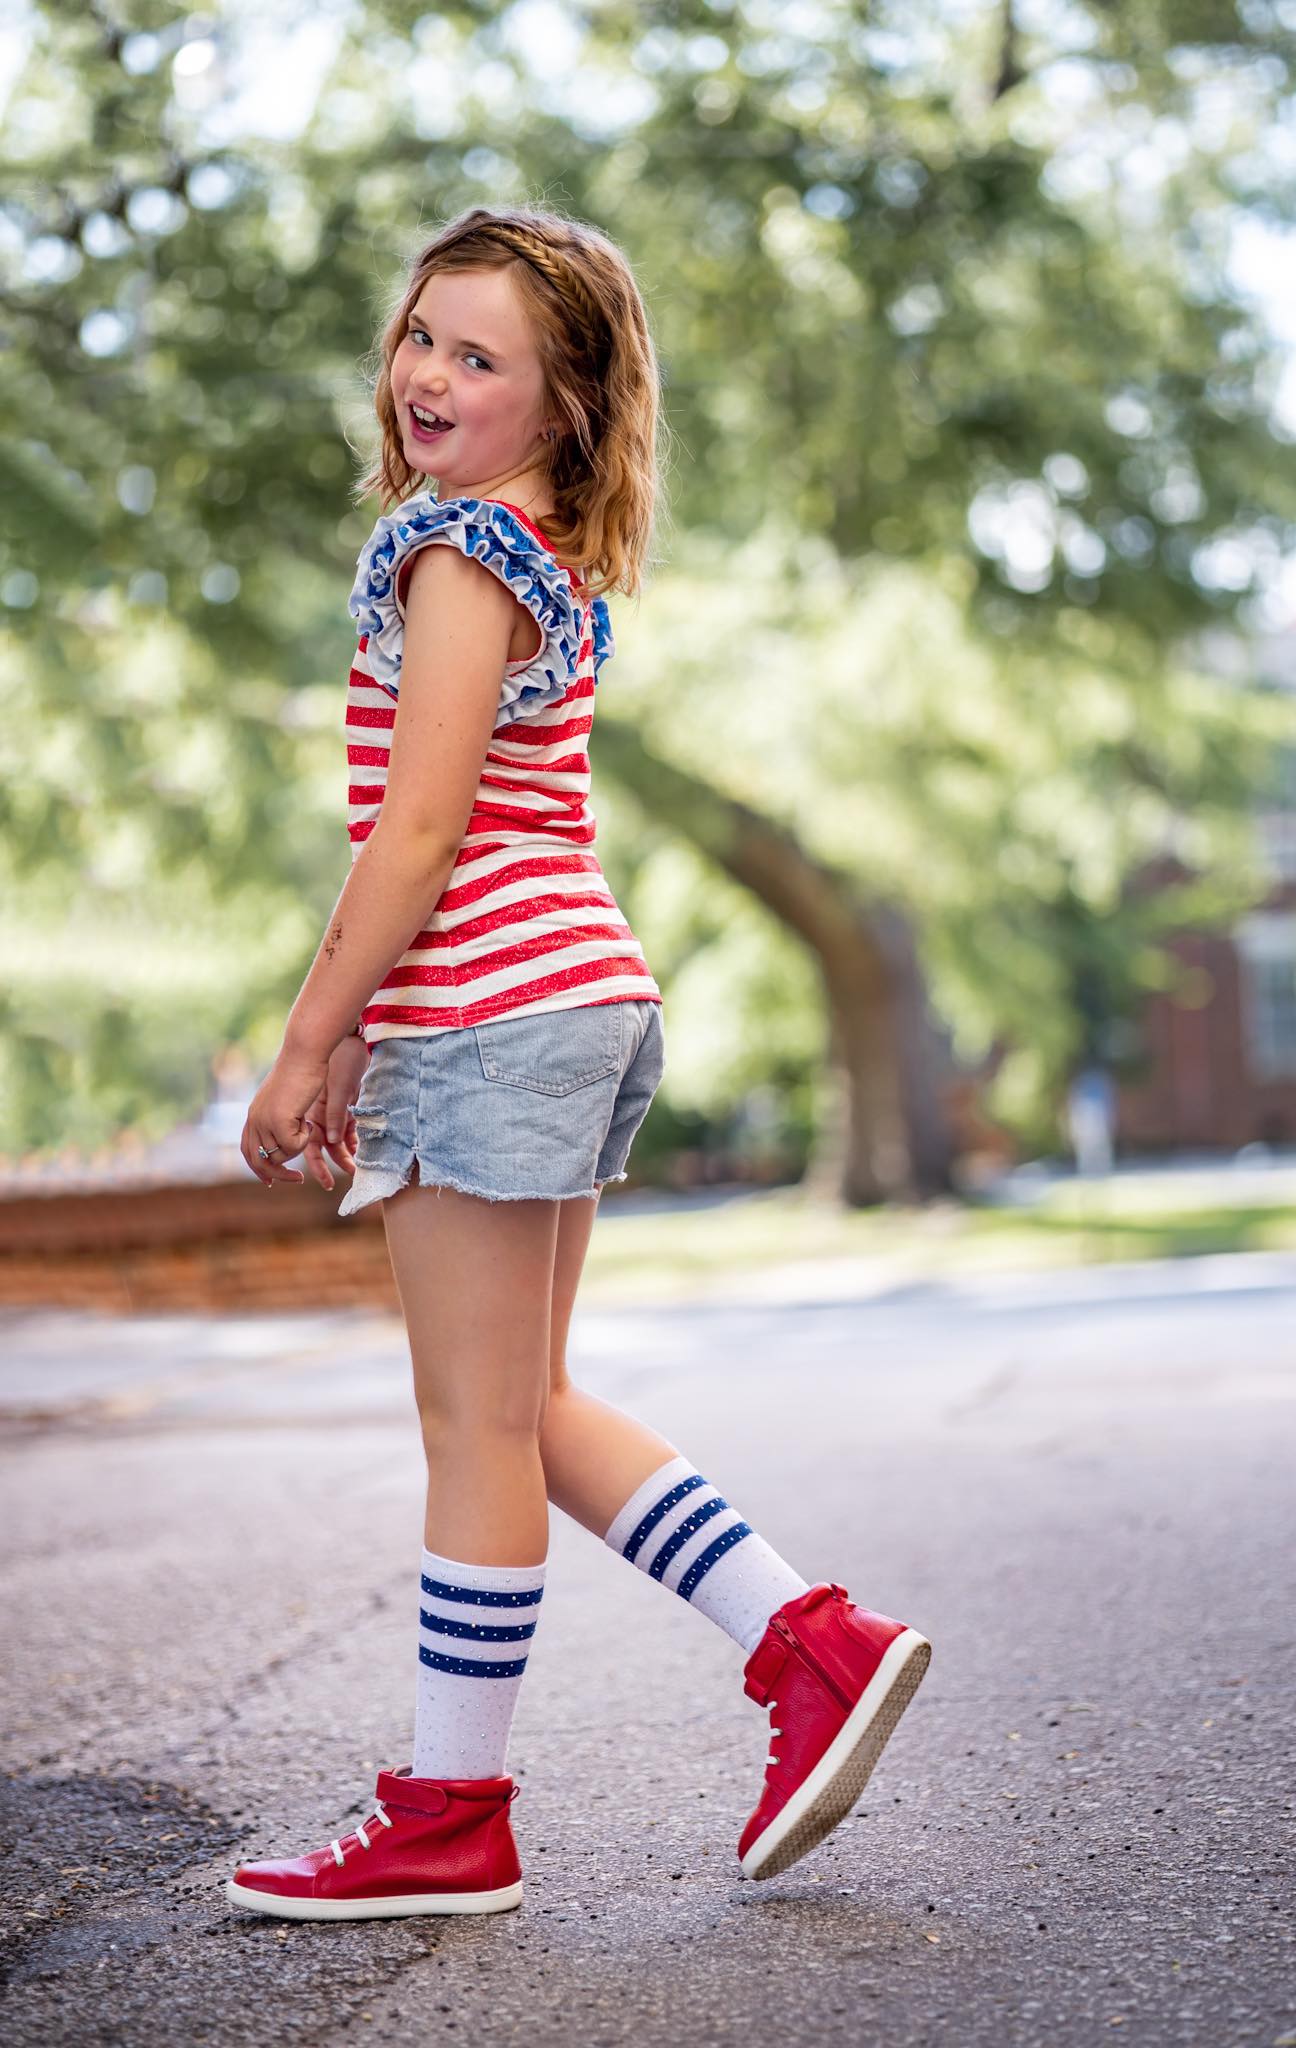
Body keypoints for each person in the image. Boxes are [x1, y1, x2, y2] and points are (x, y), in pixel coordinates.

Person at [226, 204, 931, 1923]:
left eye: (481, 357)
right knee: (524, 1413)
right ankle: (807, 1641)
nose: (429, 377)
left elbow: (416, 838)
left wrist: (310, 1039)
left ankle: (452, 1814)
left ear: (563, 403)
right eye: (420, 339)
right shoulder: (549, 552)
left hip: (486, 1011)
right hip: (573, 995)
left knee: (471, 1424)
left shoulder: (458, 554)